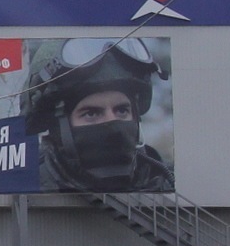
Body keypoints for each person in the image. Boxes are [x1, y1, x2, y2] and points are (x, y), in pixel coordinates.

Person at [23, 38, 175, 192]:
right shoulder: (23, 191)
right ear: (57, 126)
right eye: (91, 113)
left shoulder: (167, 184)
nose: (112, 122)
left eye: (122, 110)